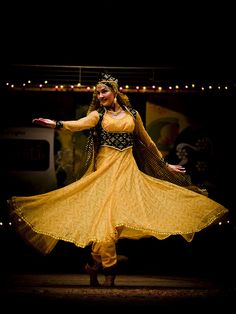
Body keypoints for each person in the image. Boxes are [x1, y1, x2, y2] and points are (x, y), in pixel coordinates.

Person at [7, 73, 228, 287]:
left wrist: (165, 164)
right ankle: (110, 273)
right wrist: (55, 124)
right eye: (98, 93)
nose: (100, 96)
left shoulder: (132, 114)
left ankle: (93, 265)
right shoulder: (98, 116)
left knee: (115, 224)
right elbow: (79, 124)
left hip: (128, 175)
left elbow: (148, 142)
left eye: (104, 92)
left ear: (114, 91)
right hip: (105, 174)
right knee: (107, 225)